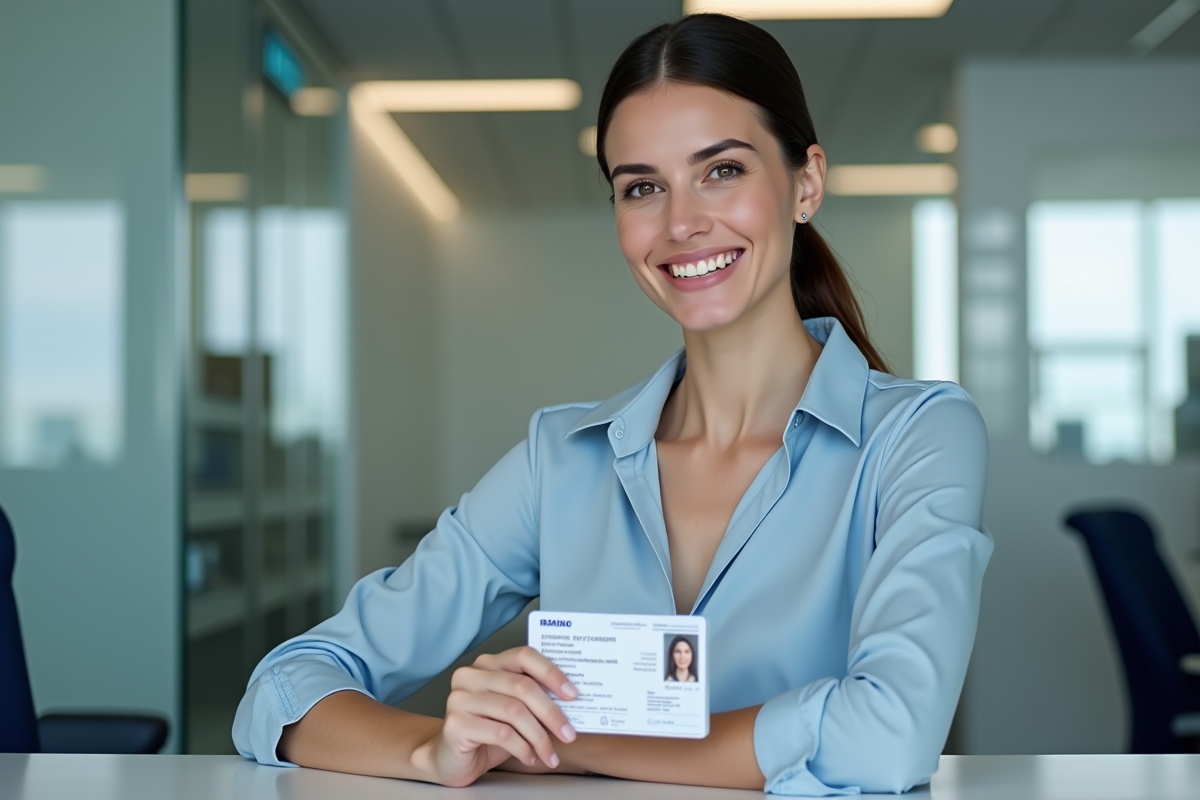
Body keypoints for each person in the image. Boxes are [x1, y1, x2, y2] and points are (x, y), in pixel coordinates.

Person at [233, 13, 992, 795]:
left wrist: (573, 745)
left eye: (722, 170)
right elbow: (284, 690)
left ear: (806, 183)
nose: (682, 222)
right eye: (642, 188)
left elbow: (890, 736)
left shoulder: (917, 436)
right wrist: (435, 749)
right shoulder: (561, 460)